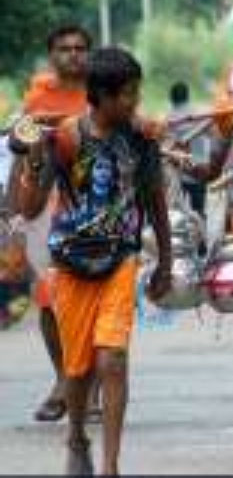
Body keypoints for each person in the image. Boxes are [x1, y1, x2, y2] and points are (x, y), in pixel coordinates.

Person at [11, 46, 173, 476]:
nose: (134, 102)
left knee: (112, 359)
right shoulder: (64, 138)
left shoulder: (142, 140)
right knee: (78, 368)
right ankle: (77, 436)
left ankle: (111, 465)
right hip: (71, 265)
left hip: (121, 258)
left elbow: (155, 199)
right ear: (99, 96)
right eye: (127, 95)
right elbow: (29, 209)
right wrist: (32, 162)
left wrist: (166, 262)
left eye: (136, 93)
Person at [15, 24, 91, 424]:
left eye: (80, 48)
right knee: (49, 298)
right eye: (65, 48)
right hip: (47, 205)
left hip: (97, 206)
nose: (73, 55)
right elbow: (21, 150)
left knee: (93, 297)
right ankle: (63, 379)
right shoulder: (37, 97)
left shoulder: (102, 93)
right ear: (52, 55)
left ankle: (87, 386)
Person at [163, 81, 209, 215]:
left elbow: (166, 147)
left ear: (172, 98)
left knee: (178, 212)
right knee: (199, 209)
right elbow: (204, 141)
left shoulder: (168, 119)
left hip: (178, 172)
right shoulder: (198, 115)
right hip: (198, 169)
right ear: (187, 96)